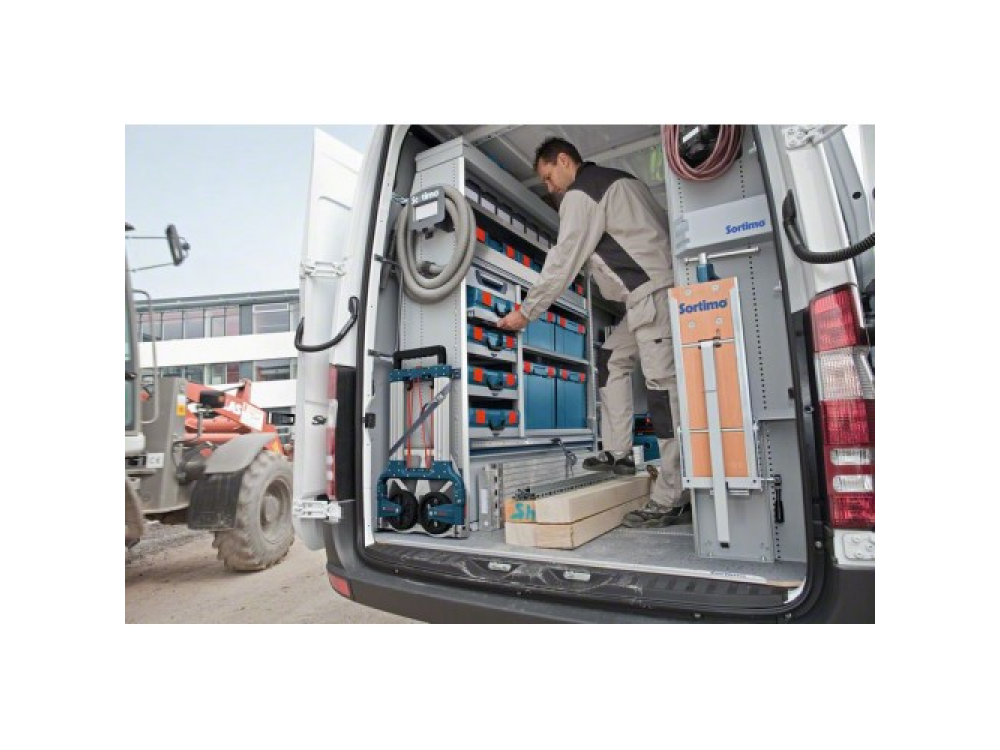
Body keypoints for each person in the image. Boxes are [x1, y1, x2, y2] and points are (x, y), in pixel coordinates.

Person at [496, 138, 687, 528]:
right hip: (650, 296)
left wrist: (526, 312)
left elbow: (563, 260)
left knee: (662, 394)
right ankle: (618, 453)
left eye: (548, 177)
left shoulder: (581, 193)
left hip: (652, 295)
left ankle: (673, 497)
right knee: (610, 357)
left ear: (565, 161)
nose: (550, 187)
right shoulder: (623, 181)